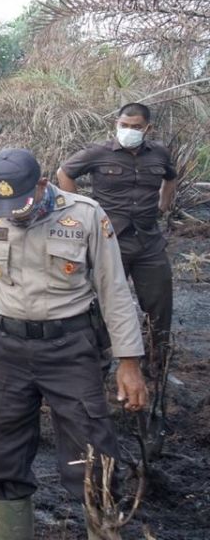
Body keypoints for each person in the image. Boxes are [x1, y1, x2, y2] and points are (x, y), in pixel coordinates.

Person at [0, 148, 147, 540]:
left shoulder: (86, 216)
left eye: (21, 203)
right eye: (5, 206)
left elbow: (114, 291)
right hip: (7, 349)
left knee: (93, 453)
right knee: (1, 449)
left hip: (70, 349)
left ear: (42, 185)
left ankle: (102, 532)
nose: (14, 214)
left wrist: (129, 362)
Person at [57, 102, 177, 380]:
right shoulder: (98, 153)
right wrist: (81, 209)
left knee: (160, 304)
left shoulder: (159, 153)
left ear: (148, 128)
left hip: (149, 240)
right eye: (124, 125)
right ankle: (98, 367)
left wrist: (163, 205)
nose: (129, 131)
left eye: (136, 127)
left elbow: (170, 178)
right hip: (110, 241)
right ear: (116, 123)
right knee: (103, 304)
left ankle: (156, 367)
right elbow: (65, 173)